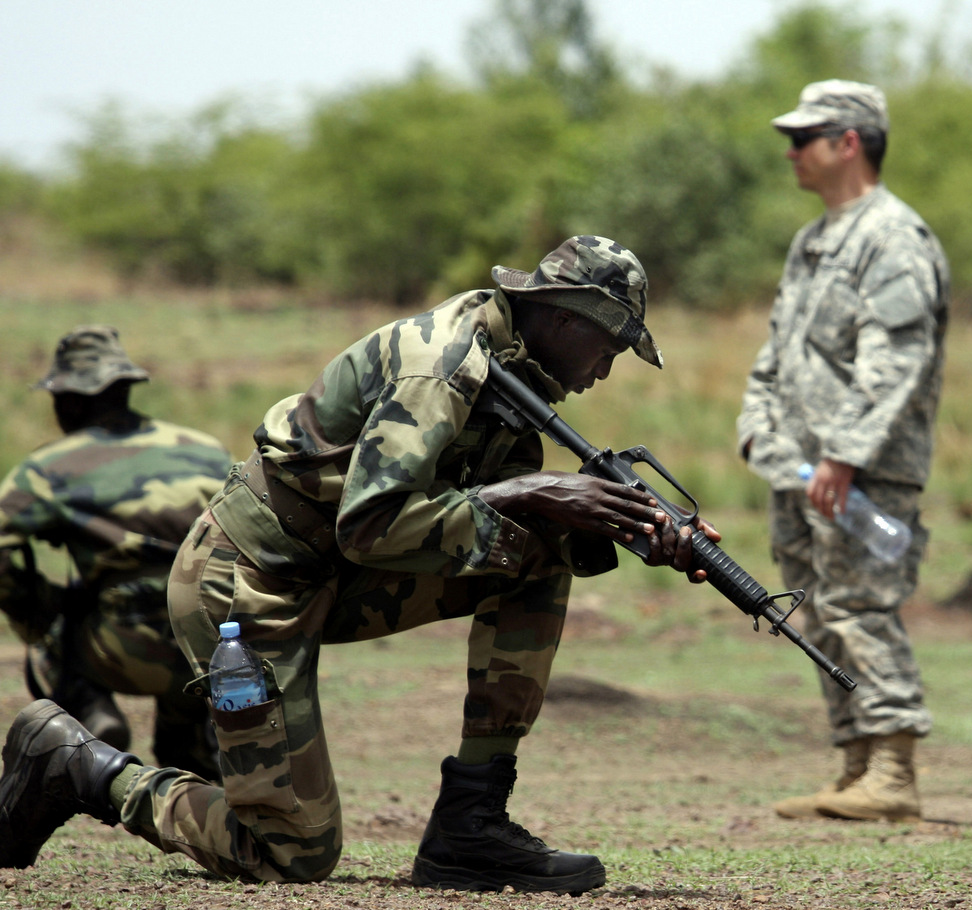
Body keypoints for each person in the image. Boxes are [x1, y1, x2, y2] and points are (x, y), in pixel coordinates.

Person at [0, 236, 718, 895]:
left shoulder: (514, 367)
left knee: (541, 551)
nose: (606, 369)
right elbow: (372, 524)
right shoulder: (442, 366)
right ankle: (85, 769)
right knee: (290, 852)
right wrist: (533, 491)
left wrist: (627, 528)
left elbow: (462, 516)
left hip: (332, 572)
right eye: (610, 347)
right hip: (247, 586)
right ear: (565, 319)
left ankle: (471, 823)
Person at [737, 79, 949, 822]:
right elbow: (780, 349)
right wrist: (756, 425)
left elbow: (894, 361)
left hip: (863, 471)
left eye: (805, 137)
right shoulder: (815, 239)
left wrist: (847, 453)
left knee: (859, 604)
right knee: (816, 610)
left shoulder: (893, 238)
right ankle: (856, 762)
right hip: (798, 465)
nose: (791, 151)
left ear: (848, 142)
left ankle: (894, 770)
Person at [0, 325, 229, 778]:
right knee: (188, 719)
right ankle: (192, 751)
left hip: (115, 647)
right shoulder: (206, 451)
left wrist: (39, 604)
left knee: (46, 636)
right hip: (206, 645)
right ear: (125, 388)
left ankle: (88, 705)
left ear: (70, 401)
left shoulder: (51, 466)